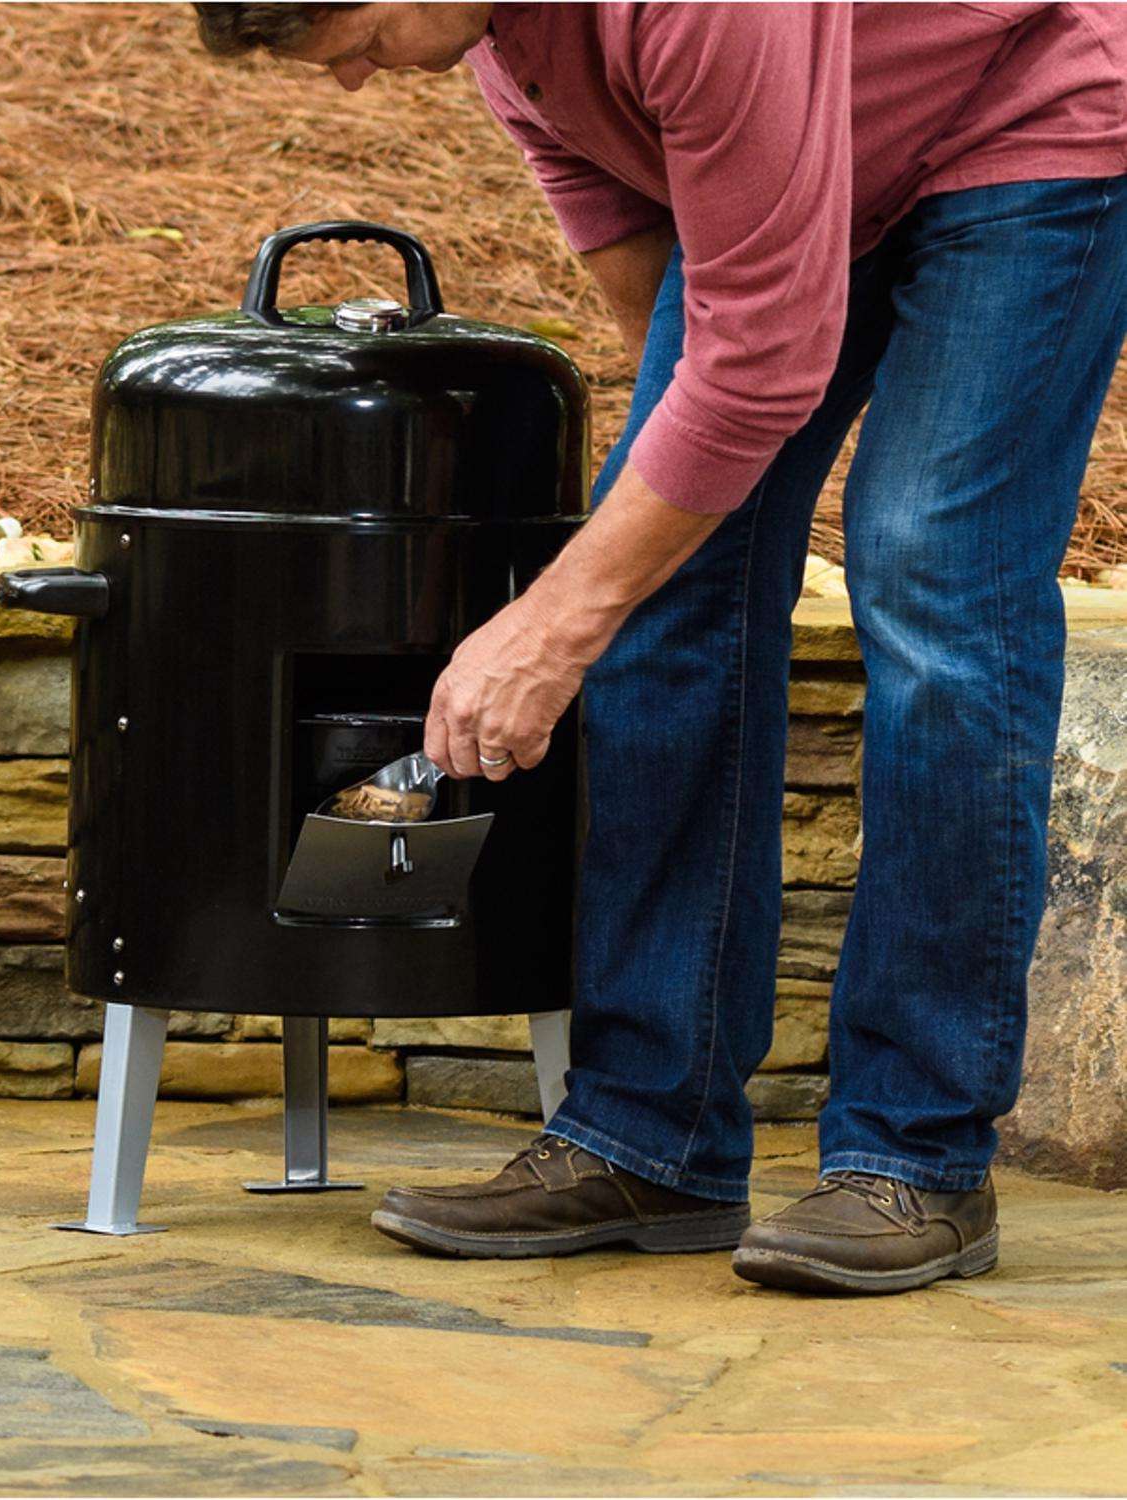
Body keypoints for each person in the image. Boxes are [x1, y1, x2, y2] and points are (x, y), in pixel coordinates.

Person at [192, 2, 1127, 1294]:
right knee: (671, 592)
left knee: (933, 585)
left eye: (354, 35)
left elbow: (756, 363)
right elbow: (648, 270)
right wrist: (667, 538)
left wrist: (556, 619)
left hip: (1017, 130)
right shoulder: (499, 35)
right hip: (795, 171)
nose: (353, 81)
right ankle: (650, 1135)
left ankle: (916, 1157)